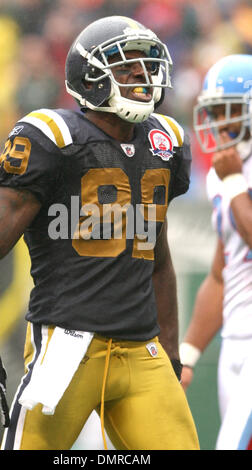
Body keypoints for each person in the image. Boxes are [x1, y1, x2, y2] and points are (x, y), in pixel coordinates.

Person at [0, 16, 199, 450]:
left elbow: (157, 256)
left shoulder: (164, 141)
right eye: (127, 67)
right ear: (90, 78)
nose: (142, 78)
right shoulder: (53, 137)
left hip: (142, 352)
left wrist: (170, 348)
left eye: (147, 66)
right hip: (67, 348)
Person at [180, 54, 252, 450]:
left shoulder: (231, 176)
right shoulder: (224, 174)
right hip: (234, 342)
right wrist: (189, 353)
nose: (221, 124)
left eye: (231, 112)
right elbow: (221, 273)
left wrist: (237, 184)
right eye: (215, 112)